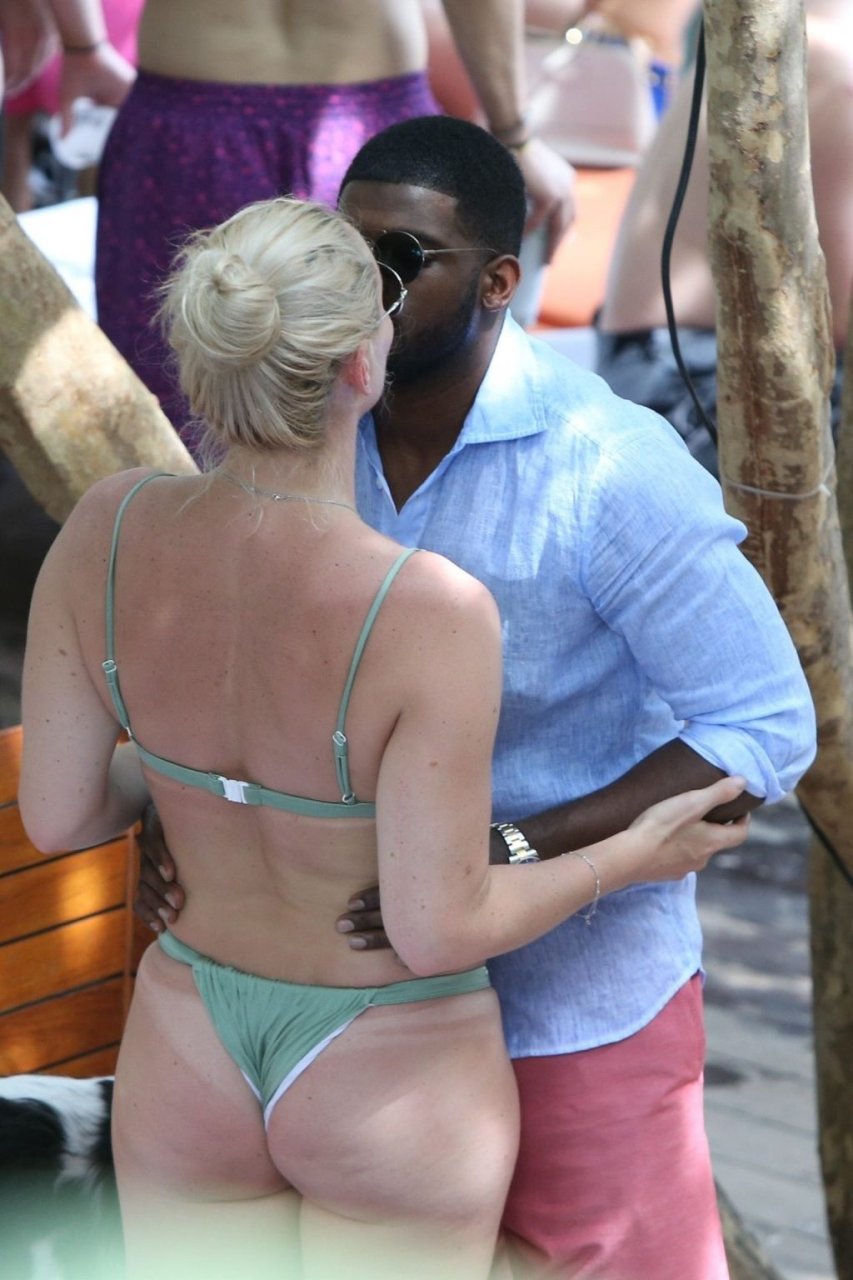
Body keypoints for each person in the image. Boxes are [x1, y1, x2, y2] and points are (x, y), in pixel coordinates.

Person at [19, 193, 750, 1280]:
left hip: (187, 1037)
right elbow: (437, 923)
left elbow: (62, 812)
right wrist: (631, 857)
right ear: (365, 364)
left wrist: (197, 780)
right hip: (387, 1062)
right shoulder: (428, 609)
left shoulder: (107, 527)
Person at [93, 0, 576, 445]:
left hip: (196, 118)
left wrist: (84, 43)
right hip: (354, 115)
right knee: (379, 396)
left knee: (186, 396)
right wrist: (513, 132)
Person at [596, 0, 853, 474]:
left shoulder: (776, 35)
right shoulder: (830, 67)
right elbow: (837, 319)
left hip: (646, 361)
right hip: (684, 385)